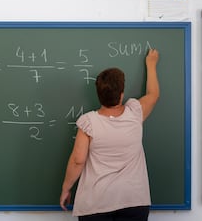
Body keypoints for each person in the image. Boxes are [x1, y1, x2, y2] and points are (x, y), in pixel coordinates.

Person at [59, 49, 160, 221]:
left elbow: (78, 160)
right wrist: (151, 64)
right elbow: (153, 94)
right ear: (121, 94)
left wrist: (66, 189)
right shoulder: (135, 113)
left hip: (96, 202)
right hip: (134, 200)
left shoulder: (88, 122)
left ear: (98, 94)